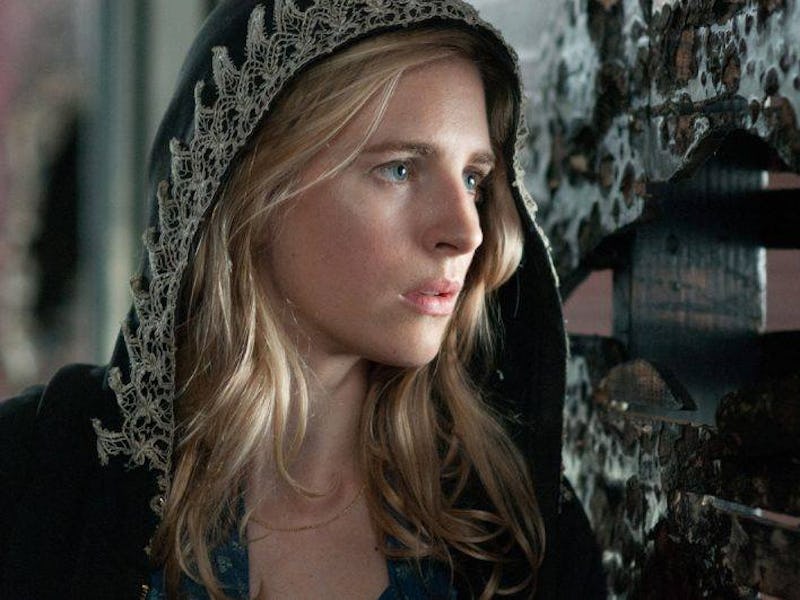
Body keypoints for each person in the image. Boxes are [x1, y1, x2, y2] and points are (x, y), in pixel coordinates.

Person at [0, 1, 605, 598]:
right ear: (255, 186)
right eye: (399, 170)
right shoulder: (36, 473)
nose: (467, 231)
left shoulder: (519, 535)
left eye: (473, 179)